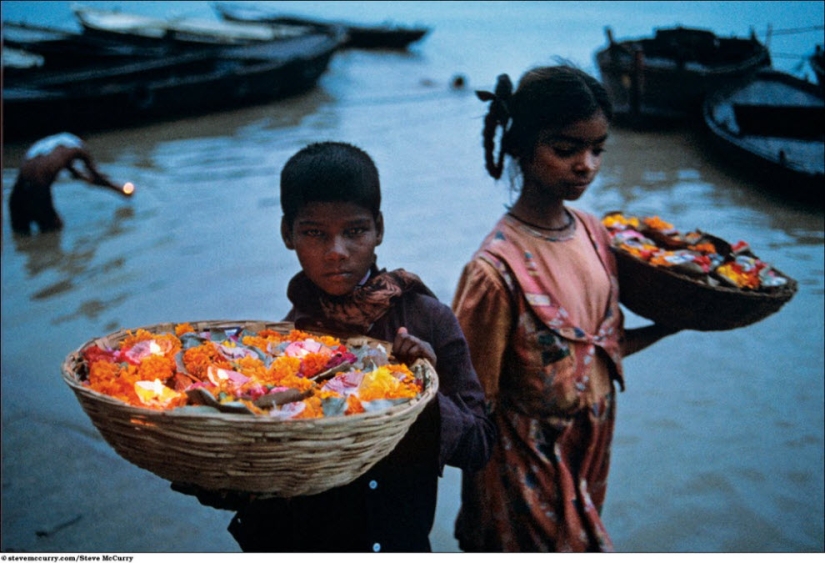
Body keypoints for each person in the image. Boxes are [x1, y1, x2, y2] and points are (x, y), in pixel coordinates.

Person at [174, 141, 495, 553]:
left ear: (379, 228)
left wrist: (425, 396)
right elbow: (271, 469)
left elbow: (480, 446)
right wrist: (220, 478)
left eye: (355, 230)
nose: (336, 251)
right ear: (287, 234)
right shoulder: (278, 348)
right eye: (314, 233)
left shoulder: (427, 320)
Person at [451, 65, 681, 552]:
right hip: (523, 468)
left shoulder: (596, 235)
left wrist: (672, 324)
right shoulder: (495, 273)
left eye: (598, 149)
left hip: (589, 448)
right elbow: (471, 403)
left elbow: (594, 349)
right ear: (521, 146)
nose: (587, 165)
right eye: (566, 149)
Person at [8, 132, 133, 235]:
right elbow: (97, 177)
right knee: (54, 230)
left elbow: (76, 174)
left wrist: (84, 178)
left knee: (21, 234)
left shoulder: (56, 144)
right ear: (82, 139)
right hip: (38, 184)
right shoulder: (78, 149)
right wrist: (119, 189)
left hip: (17, 191)